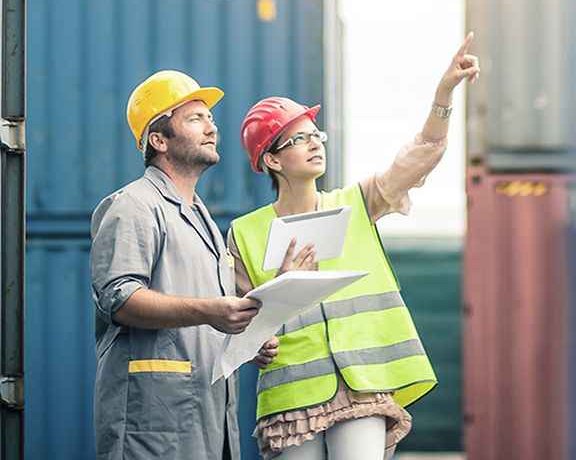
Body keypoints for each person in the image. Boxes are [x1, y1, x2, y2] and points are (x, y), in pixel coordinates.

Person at [227, 33, 481, 459]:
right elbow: (241, 333)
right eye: (298, 139)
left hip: (364, 384)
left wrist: (443, 94)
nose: (313, 144)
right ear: (271, 160)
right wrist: (277, 300)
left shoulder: (357, 204)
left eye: (315, 135)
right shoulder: (245, 234)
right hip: (293, 398)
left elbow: (422, 154)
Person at [90, 70, 278, 459]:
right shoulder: (133, 205)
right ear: (159, 139)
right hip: (154, 425)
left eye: (210, 118)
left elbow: (206, 323)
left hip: (207, 424)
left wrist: (245, 343)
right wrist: (209, 311)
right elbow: (119, 300)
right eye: (195, 118)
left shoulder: (204, 220)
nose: (211, 127)